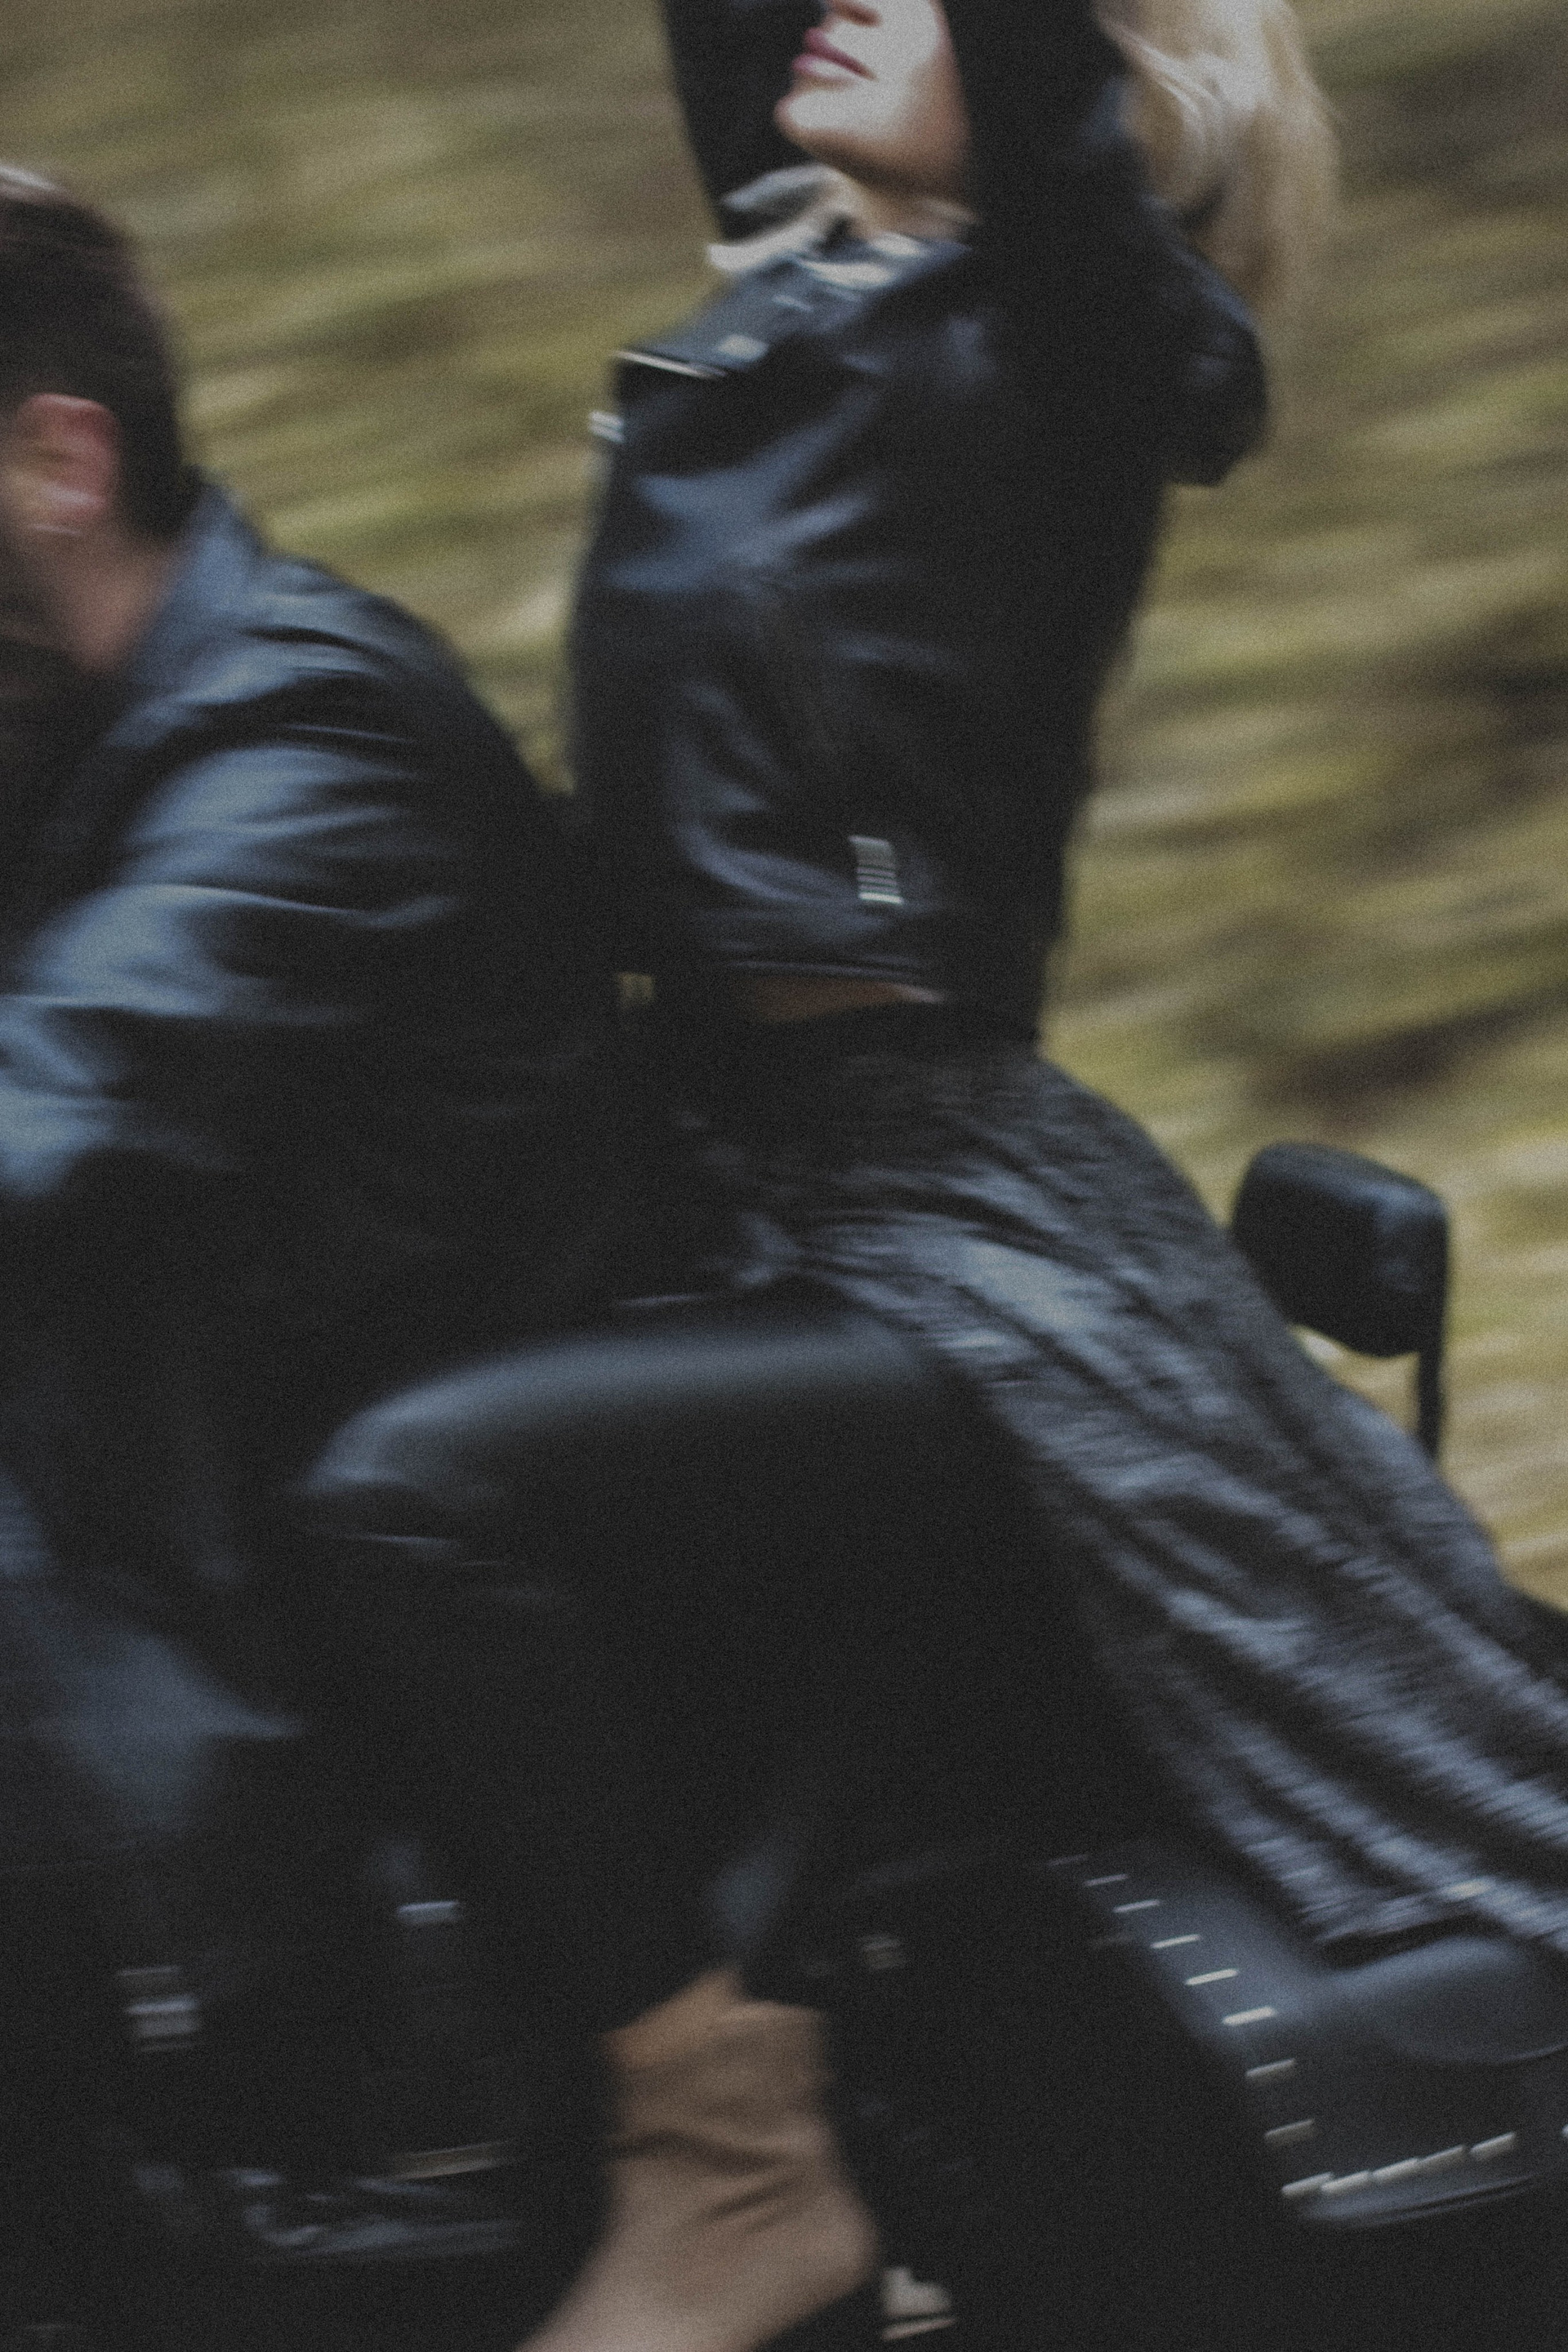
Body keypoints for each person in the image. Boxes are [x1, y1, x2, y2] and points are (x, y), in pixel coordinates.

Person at [532, 2, 1568, 2347]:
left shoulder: (1076, 340)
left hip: (931, 1176)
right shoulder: (816, 307)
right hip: (690, 1143)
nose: (840, 4)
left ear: (1086, 96)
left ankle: (735, 2174)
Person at [0, 167, 621, 2174]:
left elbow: (45, 1110)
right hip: (150, 1514)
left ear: (59, 464)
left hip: (312, 1585)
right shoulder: (68, 721)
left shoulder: (306, 741)